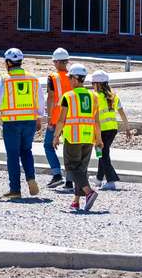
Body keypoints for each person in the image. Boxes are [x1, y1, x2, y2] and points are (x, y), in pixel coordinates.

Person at [0, 48, 44, 200]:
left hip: (12, 123)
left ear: (8, 62)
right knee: (26, 151)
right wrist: (39, 117)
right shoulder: (33, 78)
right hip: (30, 122)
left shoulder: (5, 79)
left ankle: (15, 189)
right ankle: (31, 178)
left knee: (13, 155)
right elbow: (40, 99)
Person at [52, 64, 103, 211]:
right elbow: (97, 121)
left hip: (73, 138)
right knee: (81, 170)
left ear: (75, 79)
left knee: (72, 169)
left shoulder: (68, 96)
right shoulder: (94, 96)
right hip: (88, 138)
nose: (69, 81)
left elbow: (61, 120)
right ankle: (76, 201)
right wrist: (98, 139)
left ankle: (89, 192)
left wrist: (56, 136)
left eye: (70, 78)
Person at [91, 70, 127, 191]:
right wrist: (127, 128)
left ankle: (111, 180)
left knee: (103, 155)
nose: (92, 86)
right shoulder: (114, 95)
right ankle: (99, 179)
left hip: (100, 130)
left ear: (98, 84)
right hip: (112, 129)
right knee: (102, 153)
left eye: (93, 84)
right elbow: (122, 112)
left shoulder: (94, 96)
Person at [44, 47, 74, 189]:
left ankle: (57, 174)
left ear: (55, 62)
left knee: (48, 145)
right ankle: (69, 181)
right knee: (68, 150)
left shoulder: (53, 77)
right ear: (66, 61)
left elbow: (50, 97)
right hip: (71, 118)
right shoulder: (73, 77)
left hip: (56, 118)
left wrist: (49, 116)